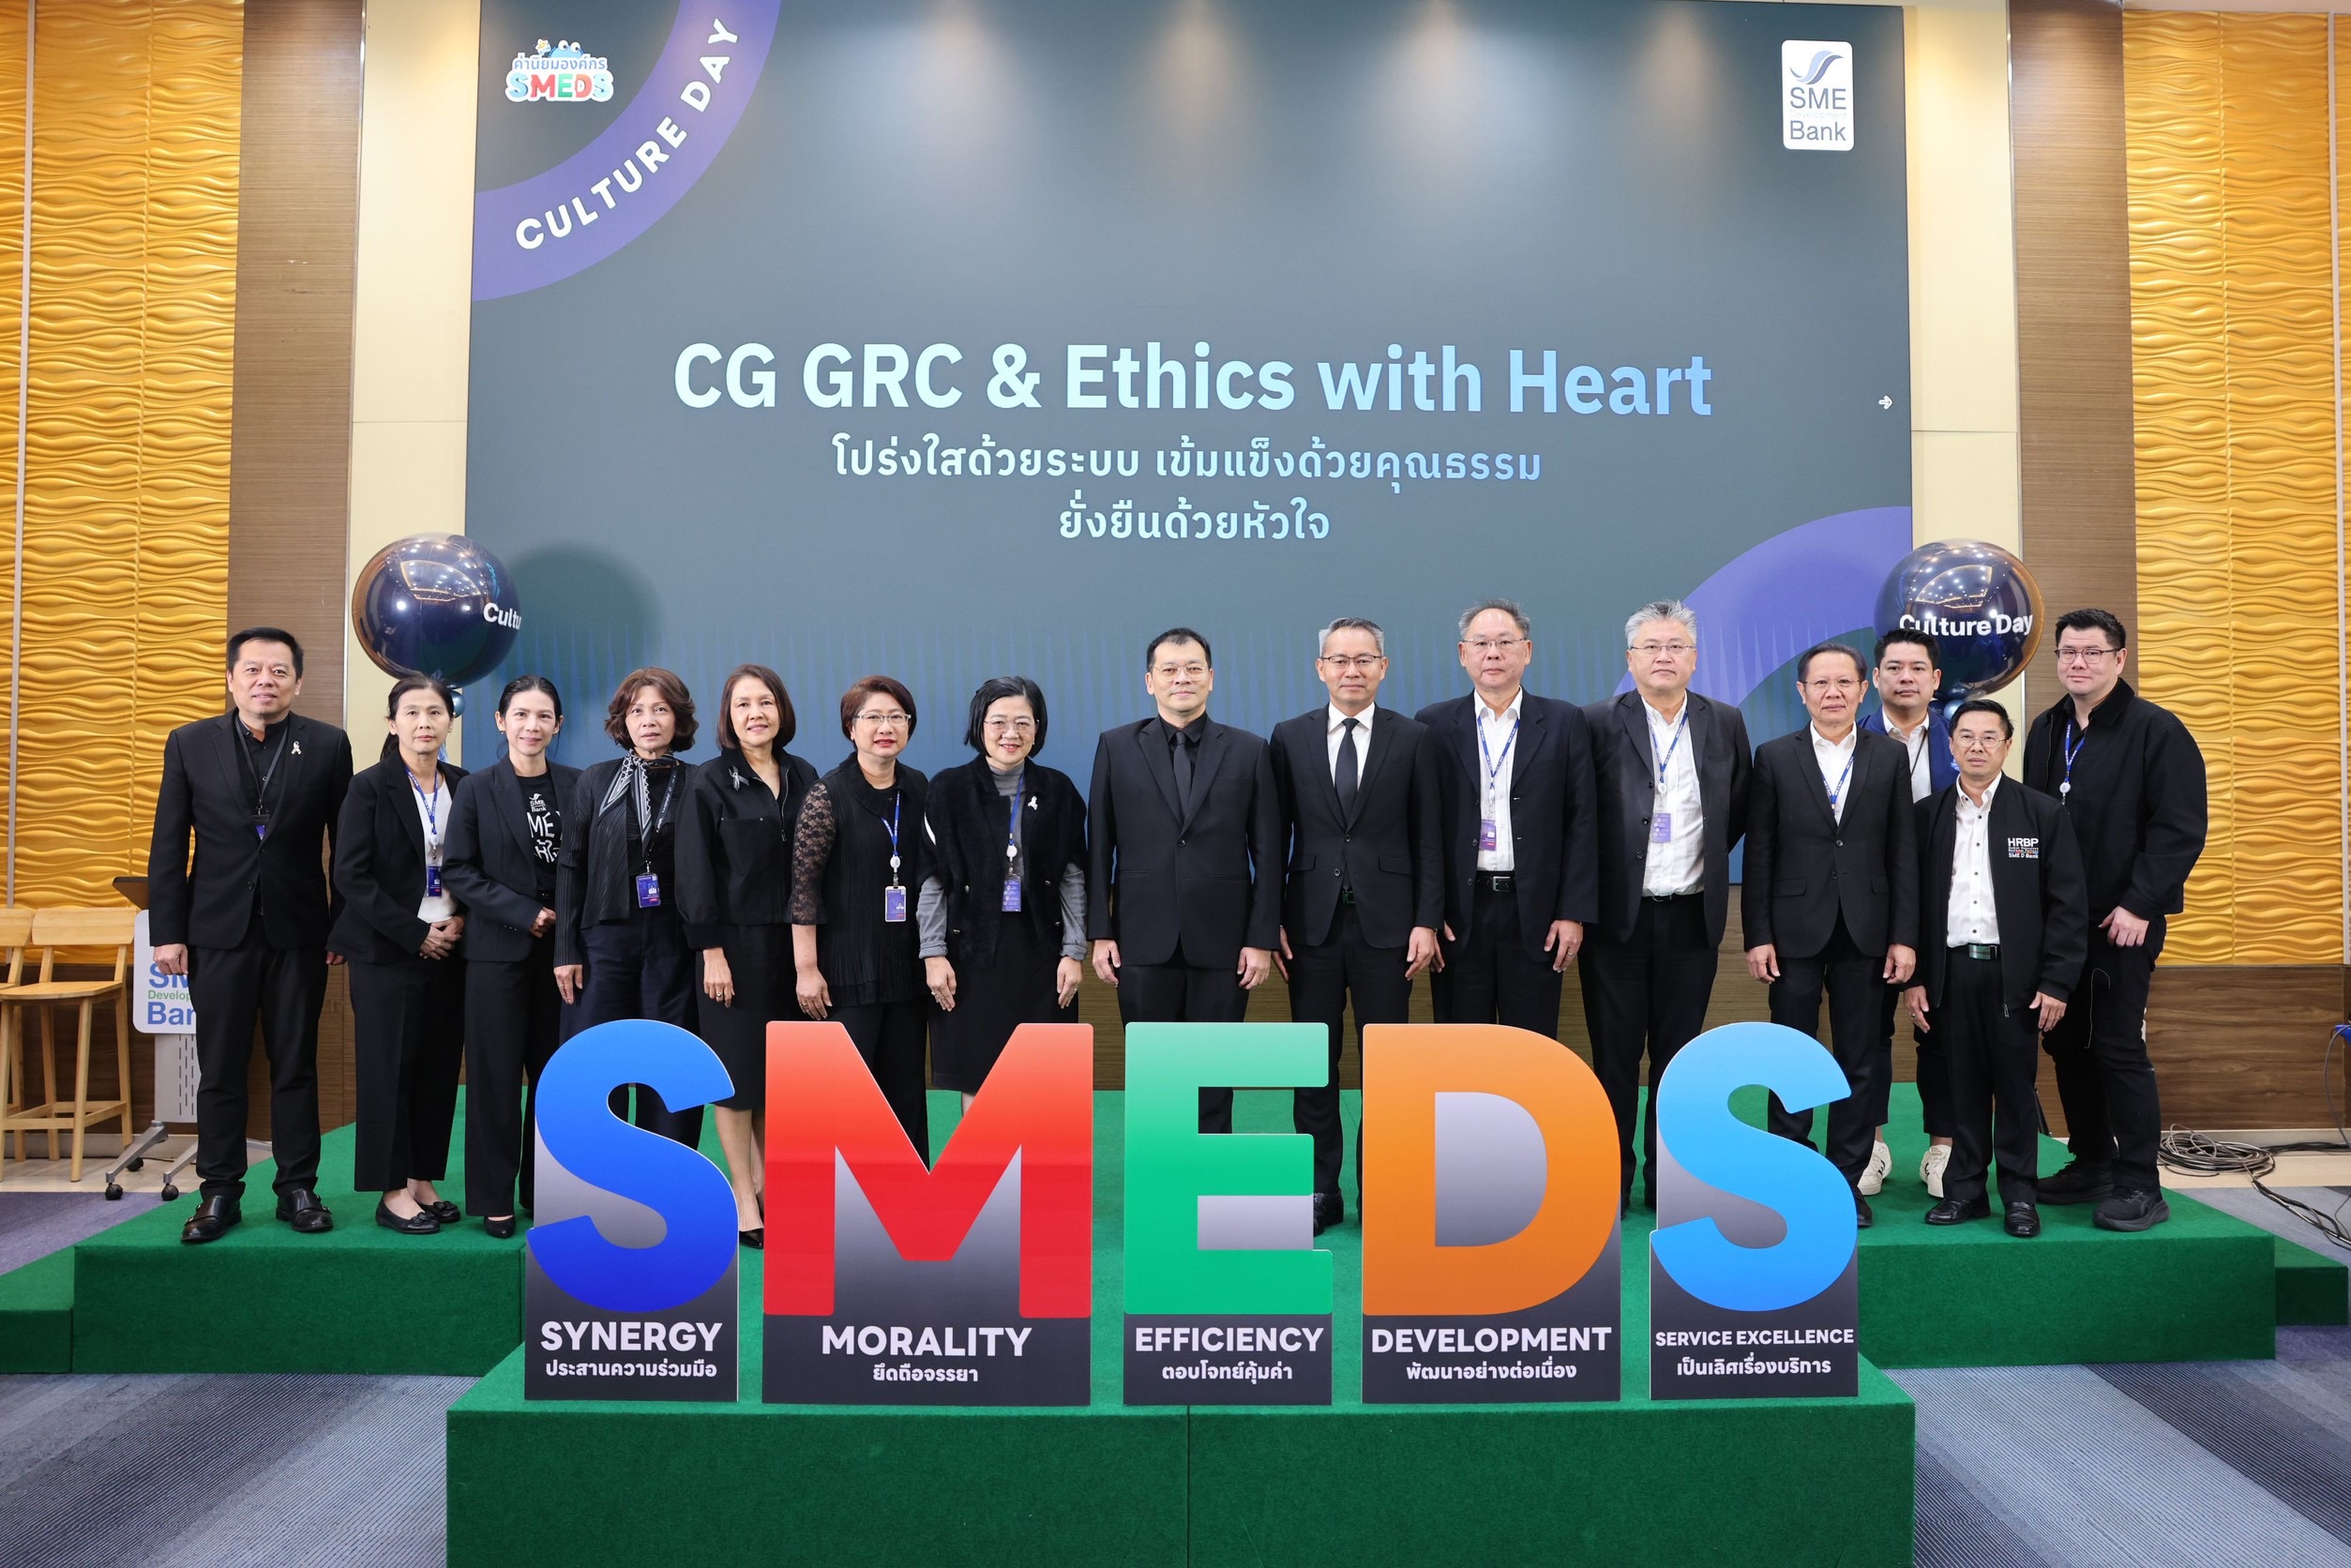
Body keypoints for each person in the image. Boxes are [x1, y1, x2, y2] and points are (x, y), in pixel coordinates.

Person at [147, 627, 354, 1245]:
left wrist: (342, 921)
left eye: (280, 671)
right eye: (254, 670)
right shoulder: (189, 742)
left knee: (296, 1065)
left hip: (300, 932)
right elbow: (167, 843)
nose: (266, 681)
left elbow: (346, 844)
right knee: (220, 1068)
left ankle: (298, 1187)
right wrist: (168, 931)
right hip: (216, 932)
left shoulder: (328, 744)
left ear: (298, 681)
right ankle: (218, 1191)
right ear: (232, 679)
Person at [2020, 609, 2208, 1231]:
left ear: (2118, 659)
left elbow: (2179, 828)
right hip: (2059, 924)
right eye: (2068, 652)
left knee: (2117, 1046)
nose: (2078, 663)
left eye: (2092, 653)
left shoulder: (2156, 729)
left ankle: (2140, 1184)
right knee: (2065, 1043)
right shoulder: (2046, 729)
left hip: (2122, 922)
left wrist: (2139, 903)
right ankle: (2092, 1161)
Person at [1269, 618, 1442, 1232]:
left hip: (1390, 928)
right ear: (1320, 667)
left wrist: (1427, 920)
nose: (1351, 670)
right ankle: (1320, 1190)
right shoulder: (1288, 737)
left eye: (1364, 659)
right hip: (1308, 926)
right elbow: (1272, 837)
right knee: (1313, 1064)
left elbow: (1430, 837)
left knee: (1387, 1067)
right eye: (1339, 660)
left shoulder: (1414, 738)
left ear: (1383, 667)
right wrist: (1270, 921)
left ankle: (1383, 1189)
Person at [1580, 599, 1751, 1211]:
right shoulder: (1596, 722)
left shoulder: (1724, 721)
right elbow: (1581, 816)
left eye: (1675, 646)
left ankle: (1668, 1180)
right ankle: (1611, 1176)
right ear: (1630, 659)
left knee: (1679, 1059)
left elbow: (1735, 809)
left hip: (1691, 916)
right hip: (1617, 921)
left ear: (1694, 658)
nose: (1663, 656)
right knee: (1615, 1056)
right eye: (1650, 647)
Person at [1742, 641, 1919, 1227]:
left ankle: (1846, 1180)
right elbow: (1760, 852)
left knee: (1860, 1058)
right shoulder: (1774, 756)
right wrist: (1758, 934)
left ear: (1864, 689)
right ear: (1802, 692)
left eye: (1845, 682)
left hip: (1868, 930)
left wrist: (1904, 935)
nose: (1833, 693)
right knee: (1791, 1057)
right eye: (1821, 683)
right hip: (1792, 930)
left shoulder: (1889, 757)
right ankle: (1791, 1177)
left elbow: (1902, 851)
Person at [1904, 700, 2088, 1239]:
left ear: (2008, 746)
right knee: (1960, 1086)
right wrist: (1916, 979)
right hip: (1951, 972)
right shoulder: (1927, 816)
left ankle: (2019, 1196)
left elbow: (2068, 906)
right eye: (1966, 736)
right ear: (1951, 746)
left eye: (1990, 736)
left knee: (2014, 1089)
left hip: (2017, 979)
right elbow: (1911, 903)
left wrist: (2057, 982)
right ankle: (1964, 1191)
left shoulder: (2041, 814)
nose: (1977, 746)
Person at [1088, 628, 1282, 1134]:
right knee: (1154, 1073)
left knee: (1214, 1072)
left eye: (1194, 668)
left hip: (1223, 942)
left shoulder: (1249, 750)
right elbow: (1099, 845)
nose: (1182, 678)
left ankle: (1210, 1171)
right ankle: (1159, 1171)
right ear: (1149, 681)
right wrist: (1101, 931)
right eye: (1170, 669)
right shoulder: (1115, 746)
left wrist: (1261, 938)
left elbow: (1268, 852)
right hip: (1141, 938)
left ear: (1211, 678)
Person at [677, 664, 818, 1247]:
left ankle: (770, 1183)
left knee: (777, 1078)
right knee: (736, 1078)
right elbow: (693, 873)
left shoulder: (805, 774)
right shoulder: (708, 781)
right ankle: (742, 1194)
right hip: (732, 949)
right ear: (728, 717)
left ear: (781, 710)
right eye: (743, 704)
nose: (755, 713)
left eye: (765, 702)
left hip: (795, 948)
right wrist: (711, 951)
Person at [1415, 599, 1598, 1037]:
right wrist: (1428, 912)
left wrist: (1572, 912)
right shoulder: (1432, 725)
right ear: (1463, 654)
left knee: (1531, 1044)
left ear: (1527, 651)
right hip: (1459, 915)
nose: (1493, 653)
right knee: (1461, 1044)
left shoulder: (1564, 721)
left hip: (1535, 913)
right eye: (1481, 643)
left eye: (1505, 642)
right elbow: (1422, 827)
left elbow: (1583, 822)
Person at [331, 675, 468, 1233]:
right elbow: (351, 876)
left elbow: (479, 866)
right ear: (392, 723)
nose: (424, 723)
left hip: (452, 948)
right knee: (389, 1070)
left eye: (435, 712)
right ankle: (391, 1192)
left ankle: (422, 1179)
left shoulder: (465, 785)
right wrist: (415, 933)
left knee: (438, 1069)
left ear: (449, 721)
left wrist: (462, 918)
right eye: (411, 712)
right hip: (389, 952)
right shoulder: (369, 787)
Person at [443, 674, 578, 1238]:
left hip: (564, 956)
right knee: (495, 1079)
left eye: (543, 716)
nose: (531, 726)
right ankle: (493, 1196)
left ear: (558, 724)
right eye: (520, 715)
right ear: (501, 721)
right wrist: (524, 912)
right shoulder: (476, 788)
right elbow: (458, 869)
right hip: (496, 954)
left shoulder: (579, 784)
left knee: (555, 1079)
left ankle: (546, 1192)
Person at [920, 677, 1087, 1108]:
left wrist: (1073, 952)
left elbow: (1071, 875)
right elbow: (934, 879)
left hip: (1042, 952)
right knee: (979, 1073)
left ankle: (1037, 1156)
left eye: (1022, 723)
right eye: (998, 722)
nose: (1010, 733)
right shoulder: (948, 789)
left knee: (1043, 1076)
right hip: (970, 953)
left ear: (1037, 728)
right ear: (980, 725)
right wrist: (933, 953)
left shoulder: (1058, 790)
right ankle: (982, 1156)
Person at [554, 669, 702, 1149]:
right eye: (637, 710)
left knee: (670, 1064)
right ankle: (599, 1178)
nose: (648, 720)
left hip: (674, 943)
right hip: (603, 941)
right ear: (623, 720)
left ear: (678, 719)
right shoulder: (596, 779)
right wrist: (565, 949)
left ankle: (668, 1175)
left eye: (660, 709)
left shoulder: (699, 782)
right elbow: (571, 864)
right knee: (599, 1064)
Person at [792, 677, 931, 1153]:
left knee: (906, 1093)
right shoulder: (826, 795)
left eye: (896, 717)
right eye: (872, 717)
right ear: (851, 728)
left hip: (906, 968)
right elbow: (804, 890)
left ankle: (910, 1191)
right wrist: (806, 969)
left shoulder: (918, 787)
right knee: (847, 1097)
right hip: (846, 971)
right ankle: (844, 1195)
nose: (885, 727)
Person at [1858, 628, 1958, 1198]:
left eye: (1917, 668)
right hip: (1870, 905)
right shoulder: (1850, 738)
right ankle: (1870, 1145)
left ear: (1935, 679)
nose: (1905, 677)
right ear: (1875, 679)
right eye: (1894, 667)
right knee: (1868, 1030)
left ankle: (1943, 1147)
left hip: (1947, 905)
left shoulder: (1962, 738)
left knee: (1941, 1030)